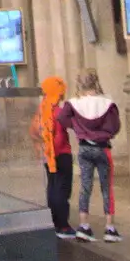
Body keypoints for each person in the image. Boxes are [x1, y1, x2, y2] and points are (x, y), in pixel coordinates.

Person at [59, 68, 121, 242]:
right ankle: (110, 228)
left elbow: (62, 119)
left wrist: (78, 127)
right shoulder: (107, 103)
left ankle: (84, 226)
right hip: (103, 148)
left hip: (84, 148)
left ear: (79, 83)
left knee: (85, 186)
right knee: (106, 187)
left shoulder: (73, 103)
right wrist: (102, 134)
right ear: (96, 81)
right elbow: (115, 126)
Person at [35, 74, 75, 239]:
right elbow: (66, 130)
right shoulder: (59, 112)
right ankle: (63, 225)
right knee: (62, 189)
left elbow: (34, 131)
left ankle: (53, 221)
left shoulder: (40, 110)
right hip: (60, 154)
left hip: (46, 154)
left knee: (52, 186)